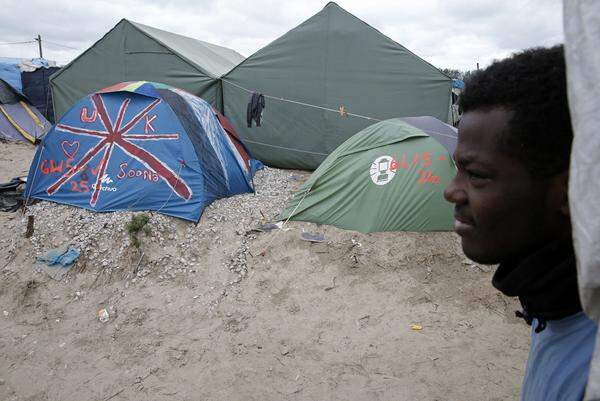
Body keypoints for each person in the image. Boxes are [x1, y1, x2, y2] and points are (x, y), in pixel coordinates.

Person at [443, 45, 598, 400]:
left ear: (568, 190)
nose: (452, 192)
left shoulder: (590, 371)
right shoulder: (556, 308)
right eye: (457, 169)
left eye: (477, 174)